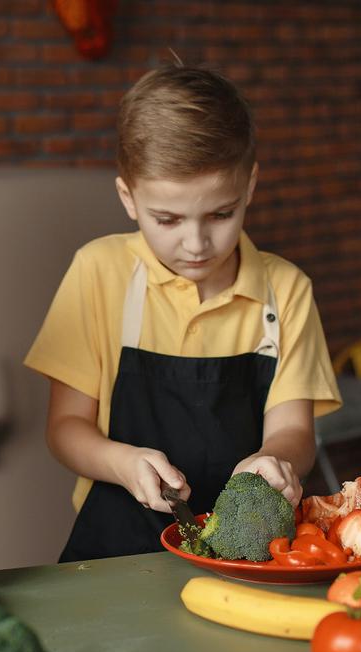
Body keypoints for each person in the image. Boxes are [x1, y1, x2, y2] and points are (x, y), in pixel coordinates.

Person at [24, 63, 341, 562]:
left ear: (250, 187)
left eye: (221, 214)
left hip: (250, 551)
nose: (196, 244)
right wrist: (122, 461)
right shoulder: (98, 272)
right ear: (128, 197)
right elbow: (65, 429)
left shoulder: (286, 290)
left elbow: (297, 432)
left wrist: (272, 459)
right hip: (116, 544)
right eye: (168, 219)